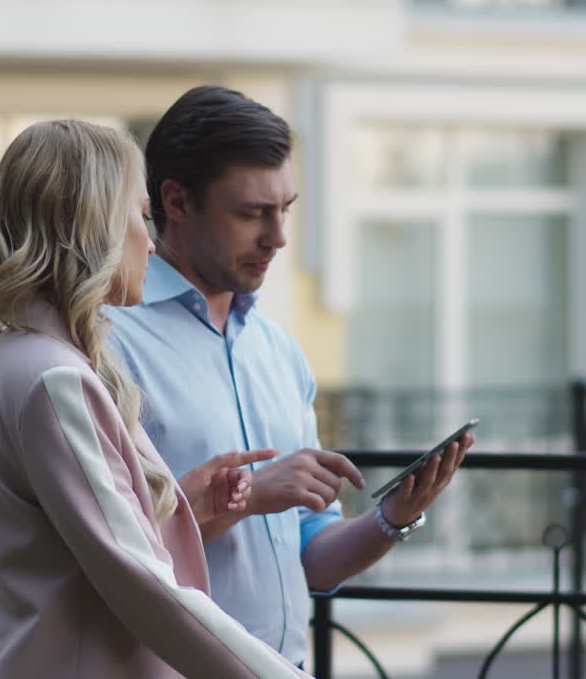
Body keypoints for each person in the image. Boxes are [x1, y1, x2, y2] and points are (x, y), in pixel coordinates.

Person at [0, 119, 312, 678]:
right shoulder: (55, 378)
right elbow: (144, 584)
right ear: (91, 228)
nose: (151, 241)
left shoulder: (27, 358)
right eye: (142, 217)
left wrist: (180, 508)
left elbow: (60, 555)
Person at [107, 87, 475, 666]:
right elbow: (111, 550)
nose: (277, 236)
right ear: (175, 201)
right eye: (252, 213)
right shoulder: (107, 343)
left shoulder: (278, 351)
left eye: (285, 210)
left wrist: (394, 517)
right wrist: (251, 496)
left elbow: (315, 560)